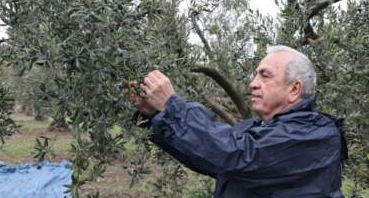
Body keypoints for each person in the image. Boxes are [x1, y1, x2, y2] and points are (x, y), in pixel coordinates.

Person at [131, 45, 347, 198]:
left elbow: (235, 154)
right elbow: (211, 157)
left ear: (294, 89)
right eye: (255, 75)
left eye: (265, 75)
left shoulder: (314, 135)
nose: (253, 83)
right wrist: (154, 115)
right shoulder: (258, 129)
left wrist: (172, 105)